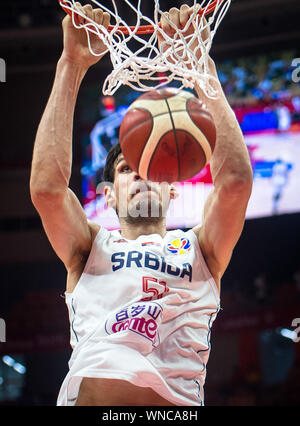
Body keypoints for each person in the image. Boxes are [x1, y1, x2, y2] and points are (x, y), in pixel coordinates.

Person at [30, 3, 253, 406]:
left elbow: (235, 183)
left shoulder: (202, 250)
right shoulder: (89, 247)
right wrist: (71, 64)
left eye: (150, 167)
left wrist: (200, 66)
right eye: (126, 168)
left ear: (172, 187)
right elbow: (47, 190)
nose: (141, 174)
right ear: (108, 195)